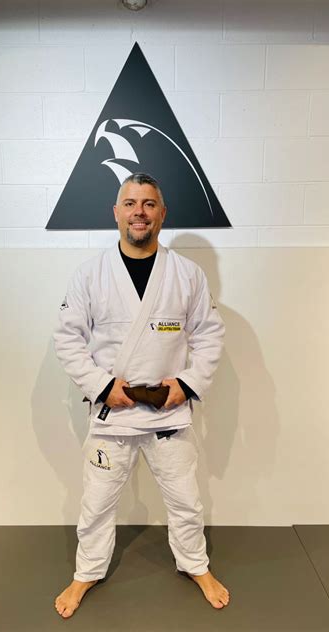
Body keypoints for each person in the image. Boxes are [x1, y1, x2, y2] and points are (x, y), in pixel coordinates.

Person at [53, 172, 230, 618]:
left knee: (185, 499)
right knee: (97, 502)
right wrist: (101, 387)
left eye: (149, 204)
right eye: (130, 203)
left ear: (162, 213)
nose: (139, 212)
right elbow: (68, 339)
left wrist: (185, 385)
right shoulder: (90, 274)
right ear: (116, 212)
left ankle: (195, 564)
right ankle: (87, 571)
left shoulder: (186, 274)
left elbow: (209, 335)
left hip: (168, 412)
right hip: (113, 412)